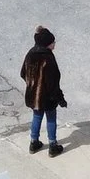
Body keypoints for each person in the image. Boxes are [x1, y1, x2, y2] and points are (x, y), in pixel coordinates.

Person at [22, 26, 65, 156]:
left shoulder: (30, 54)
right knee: (51, 119)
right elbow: (53, 82)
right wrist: (60, 98)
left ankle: (34, 142)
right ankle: (52, 145)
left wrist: (32, 85)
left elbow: (23, 73)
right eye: (53, 43)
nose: (54, 45)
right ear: (47, 44)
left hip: (34, 96)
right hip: (47, 97)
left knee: (37, 117)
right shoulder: (48, 58)